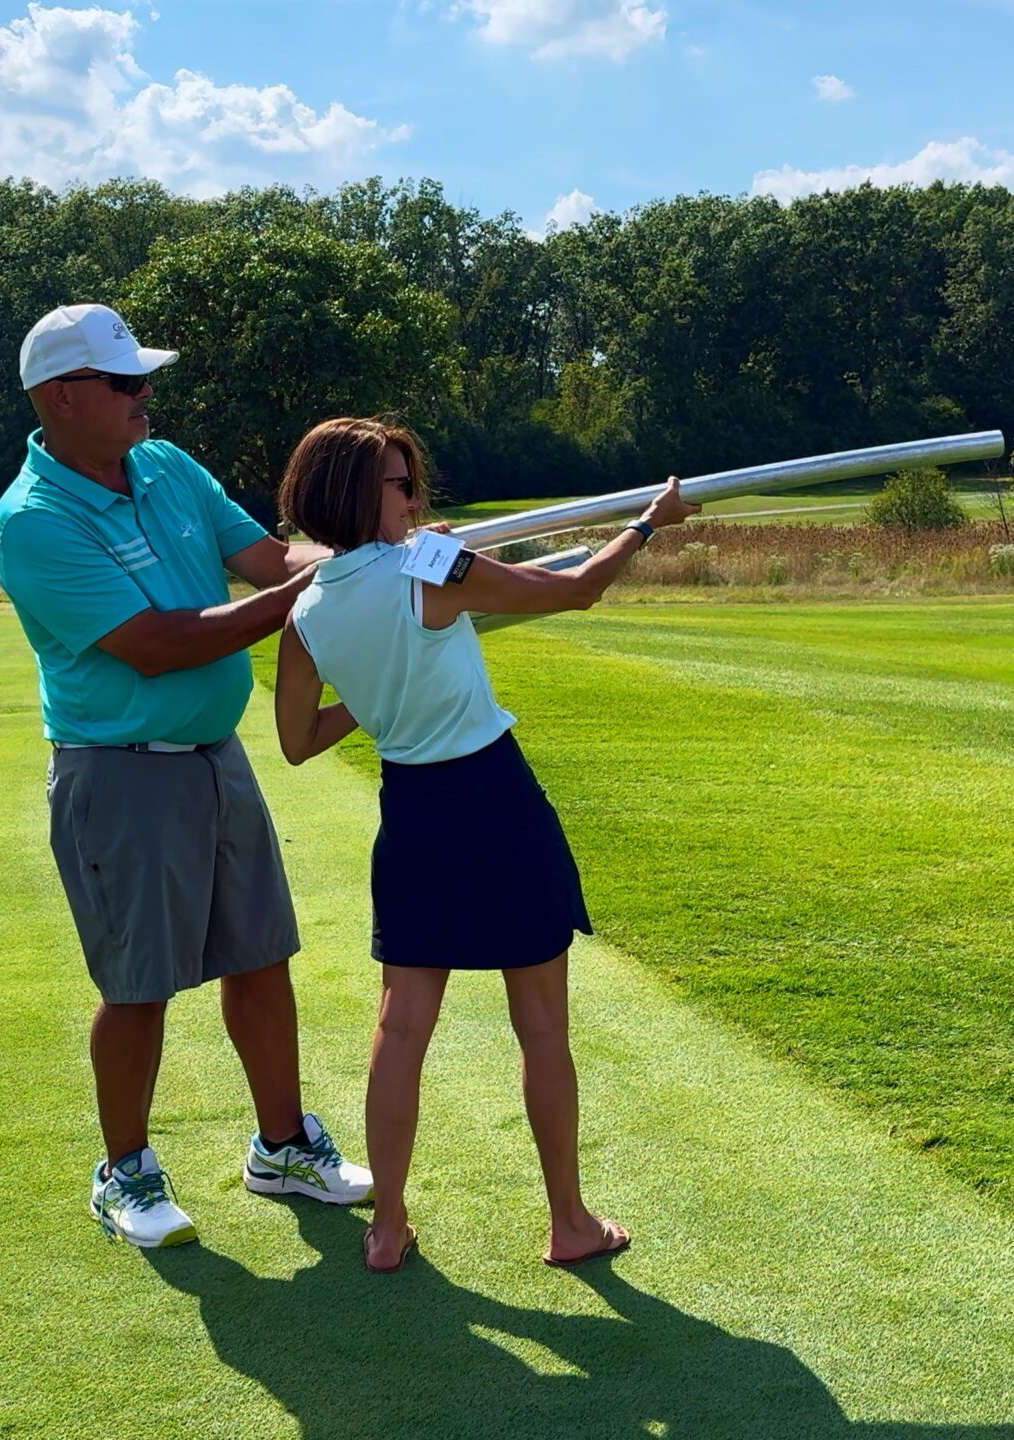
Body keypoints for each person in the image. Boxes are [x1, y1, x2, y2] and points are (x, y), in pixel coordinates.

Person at [269, 416, 697, 1273]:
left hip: (415, 816)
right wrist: (649, 523)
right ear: (360, 494)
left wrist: (382, 683)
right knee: (540, 1028)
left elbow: (299, 739)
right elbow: (575, 588)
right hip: (495, 803)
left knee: (401, 1031)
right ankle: (568, 1224)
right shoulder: (428, 567)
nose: (415, 498)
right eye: (401, 484)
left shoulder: (307, 612)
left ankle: (387, 1229)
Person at [0, 304, 372, 1251]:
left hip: (213, 758)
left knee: (259, 956)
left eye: (142, 378)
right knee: (138, 983)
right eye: (124, 383)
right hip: (116, 773)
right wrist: (304, 593)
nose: (143, 395)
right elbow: (156, 645)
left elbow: (267, 559)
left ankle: (282, 1145)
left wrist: (358, 557)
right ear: (63, 397)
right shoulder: (32, 521)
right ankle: (123, 1170)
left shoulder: (167, 465)